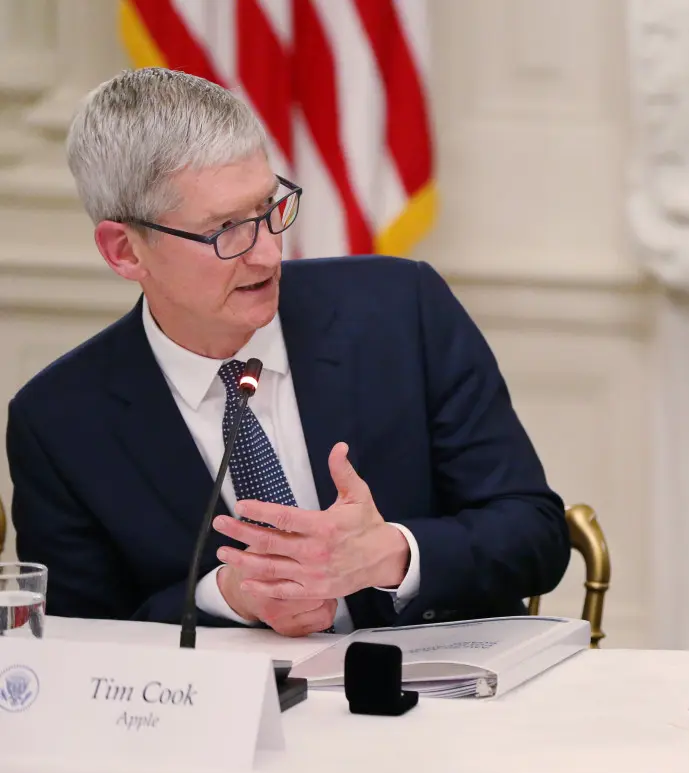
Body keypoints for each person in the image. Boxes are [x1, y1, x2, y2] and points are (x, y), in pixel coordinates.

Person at [6, 67, 570, 636]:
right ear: (125, 251)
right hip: (214, 719)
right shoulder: (59, 422)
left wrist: (393, 554)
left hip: (437, 704)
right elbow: (80, 641)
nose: (269, 254)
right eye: (226, 230)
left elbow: (535, 533)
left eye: (269, 208)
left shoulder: (401, 310)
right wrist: (227, 597)